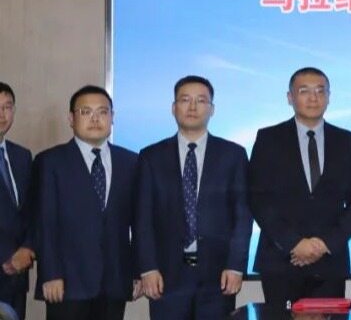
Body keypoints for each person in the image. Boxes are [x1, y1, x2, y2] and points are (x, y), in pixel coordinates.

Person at [249, 67, 351, 306]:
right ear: (290, 97)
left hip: (330, 263)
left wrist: (325, 244)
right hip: (280, 261)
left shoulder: (348, 141)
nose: (313, 98)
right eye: (304, 91)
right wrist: (293, 243)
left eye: (320, 91)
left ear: (329, 97)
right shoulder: (268, 139)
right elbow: (258, 199)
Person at [136, 75, 253, 319]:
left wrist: (235, 265)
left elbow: (242, 216)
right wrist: (147, 268)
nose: (192, 107)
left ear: (212, 109)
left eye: (201, 100)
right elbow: (142, 218)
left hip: (218, 275)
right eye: (185, 100)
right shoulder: (151, 157)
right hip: (166, 276)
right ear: (173, 108)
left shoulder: (233, 155)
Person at [33, 85, 140, 320]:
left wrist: (137, 271)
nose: (95, 118)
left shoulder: (131, 162)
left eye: (102, 112)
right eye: (86, 112)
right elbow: (45, 223)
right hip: (67, 283)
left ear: (112, 117)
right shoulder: (50, 162)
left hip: (114, 281)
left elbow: (139, 223)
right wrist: (50, 273)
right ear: (71, 119)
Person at [0, 83, 32, 320]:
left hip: (17, 276)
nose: (2, 114)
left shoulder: (22, 156)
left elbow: (31, 211)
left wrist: (28, 249)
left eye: (7, 107)